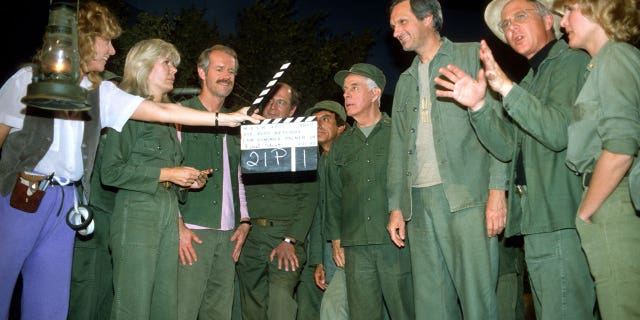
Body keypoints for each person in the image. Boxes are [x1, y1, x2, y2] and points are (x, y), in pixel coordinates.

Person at [0, 2, 260, 319]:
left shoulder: (99, 93)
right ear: (82, 38)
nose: (112, 50)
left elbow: (163, 111)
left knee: (50, 304)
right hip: (20, 195)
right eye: (106, 40)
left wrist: (227, 119)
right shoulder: (28, 80)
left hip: (67, 203)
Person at [433, 0, 598, 318]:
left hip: (561, 217)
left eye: (520, 17)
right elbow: (508, 148)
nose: (511, 28)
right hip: (539, 220)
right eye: (506, 24)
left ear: (549, 20)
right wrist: (478, 107)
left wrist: (506, 88)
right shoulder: (532, 79)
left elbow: (557, 132)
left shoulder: (571, 62)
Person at [387, 1, 510, 319]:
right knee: (431, 306)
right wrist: (396, 207)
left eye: (402, 22)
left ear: (428, 18)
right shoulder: (405, 81)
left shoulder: (470, 57)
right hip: (418, 201)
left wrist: (497, 192)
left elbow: (502, 129)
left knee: (477, 301)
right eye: (393, 27)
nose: (396, 32)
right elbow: (398, 148)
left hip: (466, 198)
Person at [100, 38, 212, 319]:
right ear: (144, 66)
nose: (174, 69)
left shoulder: (169, 119)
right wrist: (169, 173)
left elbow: (171, 173)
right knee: (132, 304)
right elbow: (110, 172)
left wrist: (189, 179)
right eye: (167, 63)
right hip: (137, 211)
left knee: (165, 304)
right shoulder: (126, 109)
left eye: (174, 64)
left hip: (166, 210)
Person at [552, 0, 640, 318]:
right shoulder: (602, 63)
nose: (562, 24)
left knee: (622, 308)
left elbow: (620, 149)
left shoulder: (616, 56)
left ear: (598, 9)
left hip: (614, 201)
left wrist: (585, 213)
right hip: (611, 198)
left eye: (569, 11)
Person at [325, 63, 414, 320]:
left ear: (375, 94)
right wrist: (336, 239)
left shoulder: (398, 133)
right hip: (355, 247)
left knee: (404, 311)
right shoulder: (341, 146)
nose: (346, 95)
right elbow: (333, 196)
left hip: (395, 244)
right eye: (345, 90)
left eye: (355, 88)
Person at [176, 44, 251, 320]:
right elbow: (164, 174)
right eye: (219, 69)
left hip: (228, 235)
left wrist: (245, 222)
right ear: (201, 72)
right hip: (192, 234)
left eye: (231, 71)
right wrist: (177, 225)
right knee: (181, 311)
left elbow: (240, 178)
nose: (226, 76)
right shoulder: (179, 116)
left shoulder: (237, 124)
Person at [236, 82, 318, 320]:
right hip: (250, 238)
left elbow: (309, 197)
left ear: (292, 111)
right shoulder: (243, 138)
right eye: (270, 101)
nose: (272, 107)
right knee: (251, 306)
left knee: (281, 303)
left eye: (281, 102)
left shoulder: (301, 142)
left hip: (284, 238)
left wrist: (289, 239)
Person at [297, 100, 347, 320]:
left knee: (334, 308)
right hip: (329, 251)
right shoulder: (316, 163)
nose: (318, 125)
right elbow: (319, 215)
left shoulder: (349, 159)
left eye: (325, 119)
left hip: (351, 246)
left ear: (341, 127)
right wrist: (319, 260)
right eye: (314, 121)